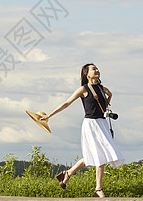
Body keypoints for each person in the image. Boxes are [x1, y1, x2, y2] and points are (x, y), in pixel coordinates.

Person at [40, 63, 124, 198]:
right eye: (93, 69)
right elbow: (66, 103)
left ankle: (67, 174)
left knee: (95, 155)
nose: (97, 70)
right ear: (87, 74)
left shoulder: (103, 89)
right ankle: (98, 189)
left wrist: (108, 100)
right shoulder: (83, 89)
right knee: (100, 155)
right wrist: (49, 115)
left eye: (97, 68)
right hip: (91, 125)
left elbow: (108, 97)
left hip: (102, 123)